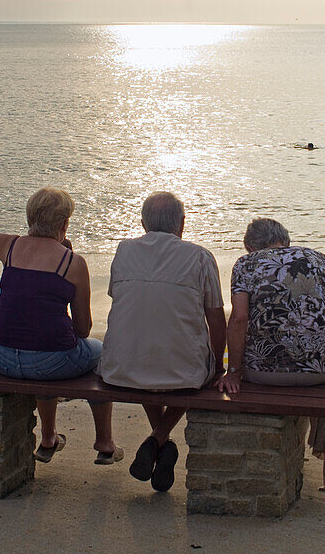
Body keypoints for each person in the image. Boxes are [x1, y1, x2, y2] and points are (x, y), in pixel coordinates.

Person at [0, 187, 121, 465]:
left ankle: (49, 437)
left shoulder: (10, 246)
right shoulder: (73, 263)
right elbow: (83, 330)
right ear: (65, 223)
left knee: (44, 349)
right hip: (50, 361)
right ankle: (104, 441)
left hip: (4, 357)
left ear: (30, 218)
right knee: (101, 353)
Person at [218, 217, 325, 491]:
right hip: (321, 375)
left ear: (250, 246)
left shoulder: (244, 264)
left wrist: (234, 372)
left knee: (246, 348)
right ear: (285, 240)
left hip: (264, 373)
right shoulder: (318, 260)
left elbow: (239, 320)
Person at [97, 191, 227, 492]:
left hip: (122, 369)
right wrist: (217, 365)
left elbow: (126, 303)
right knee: (176, 363)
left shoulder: (123, 251)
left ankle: (160, 441)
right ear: (182, 224)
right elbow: (217, 320)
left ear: (143, 223)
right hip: (184, 373)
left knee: (143, 347)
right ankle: (160, 439)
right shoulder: (200, 256)